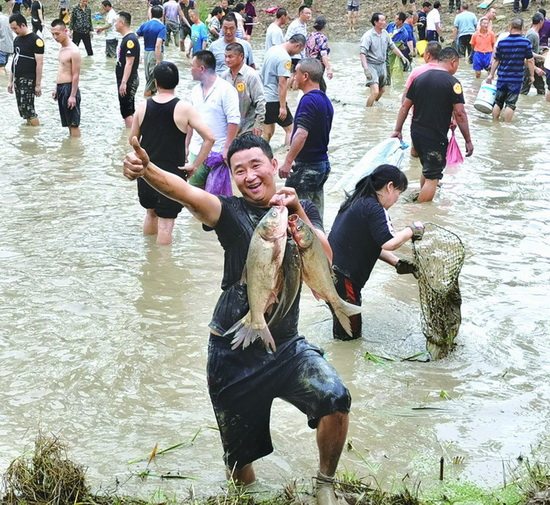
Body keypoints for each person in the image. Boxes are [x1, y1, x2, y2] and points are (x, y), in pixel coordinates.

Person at [123, 131, 351, 505]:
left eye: (256, 165)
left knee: (335, 398)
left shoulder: (300, 209)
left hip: (286, 346)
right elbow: (186, 194)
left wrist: (297, 212)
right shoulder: (228, 213)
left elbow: (325, 258)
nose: (249, 176)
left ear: (274, 165)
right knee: (240, 464)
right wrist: (148, 170)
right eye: (239, 170)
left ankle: (324, 483)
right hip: (233, 352)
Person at [328, 165, 423, 341]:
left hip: (332, 273)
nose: (396, 200)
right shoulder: (375, 208)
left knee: (342, 327)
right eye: (398, 193)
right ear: (390, 187)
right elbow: (389, 243)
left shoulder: (357, 200)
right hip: (345, 277)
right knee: (350, 337)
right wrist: (412, 229)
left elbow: (367, 244)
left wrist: (396, 263)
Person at [130, 61, 214, 245]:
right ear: (176, 82)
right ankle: (162, 261)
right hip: (173, 177)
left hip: (147, 173)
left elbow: (132, 140)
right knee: (166, 226)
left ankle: (149, 257)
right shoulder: (184, 108)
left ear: (155, 82)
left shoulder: (143, 107)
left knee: (150, 214)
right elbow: (210, 138)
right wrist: (195, 165)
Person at [392, 47, 474, 203]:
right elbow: (460, 114)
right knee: (433, 179)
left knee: (427, 170)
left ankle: (419, 200)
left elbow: (405, 107)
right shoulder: (453, 83)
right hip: (435, 137)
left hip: (416, 133)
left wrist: (397, 130)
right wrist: (468, 140)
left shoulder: (419, 78)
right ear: (453, 62)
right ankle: (418, 211)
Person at [279, 58, 333, 221]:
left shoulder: (308, 100)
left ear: (305, 76)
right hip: (321, 165)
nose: (293, 77)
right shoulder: (325, 100)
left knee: (294, 215)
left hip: (307, 167)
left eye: (296, 73)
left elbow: (301, 134)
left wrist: (288, 162)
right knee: (314, 215)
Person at [186, 50, 240, 188]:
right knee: (194, 193)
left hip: (218, 152)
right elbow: (190, 122)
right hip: (196, 150)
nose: (190, 70)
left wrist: (227, 147)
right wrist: (186, 146)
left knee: (217, 195)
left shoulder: (226, 90)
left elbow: (233, 120)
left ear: (201, 69)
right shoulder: (195, 91)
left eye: (192, 66)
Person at [261, 34, 306, 145]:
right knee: (291, 130)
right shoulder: (285, 58)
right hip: (274, 99)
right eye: (299, 51)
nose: (297, 54)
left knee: (267, 132)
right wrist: (282, 107)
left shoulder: (272, 50)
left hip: (264, 97)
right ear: (298, 45)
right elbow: (282, 83)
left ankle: (262, 152)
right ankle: (287, 153)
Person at [487, 18, 534, 122]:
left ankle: (495, 123)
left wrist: (491, 74)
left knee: (498, 102)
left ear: (510, 27)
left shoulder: (502, 42)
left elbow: (496, 60)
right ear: (522, 28)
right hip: (516, 79)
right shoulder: (525, 42)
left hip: (502, 77)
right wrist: (532, 76)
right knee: (511, 104)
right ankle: (506, 126)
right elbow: (530, 60)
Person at [359, 13, 409, 107]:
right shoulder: (368, 36)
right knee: (375, 91)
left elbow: (392, 46)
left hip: (382, 65)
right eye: (381, 20)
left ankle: (373, 104)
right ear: (375, 22)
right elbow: (362, 53)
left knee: (382, 90)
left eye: (384, 20)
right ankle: (368, 111)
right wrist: (366, 69)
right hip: (371, 65)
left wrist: (402, 57)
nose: (384, 22)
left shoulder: (385, 33)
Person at [221, 42, 265, 135]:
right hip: (228, 127)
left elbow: (260, 101)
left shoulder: (251, 75)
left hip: (248, 127)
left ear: (241, 56)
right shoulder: (224, 76)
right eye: (225, 56)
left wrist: (258, 124)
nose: (227, 60)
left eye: (230, 57)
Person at [7, 13, 43, 126]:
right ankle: (29, 133)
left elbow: (39, 64)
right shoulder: (17, 40)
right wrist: (10, 81)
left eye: (15, 28)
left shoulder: (36, 40)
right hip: (17, 79)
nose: (14, 31)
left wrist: (38, 84)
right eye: (12, 29)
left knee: (29, 110)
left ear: (22, 25)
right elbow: (14, 60)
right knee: (23, 110)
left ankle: (36, 131)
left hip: (28, 79)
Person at [51, 18, 81, 137]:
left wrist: (72, 95)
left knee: (73, 124)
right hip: (61, 88)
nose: (55, 37)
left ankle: (76, 147)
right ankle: (70, 147)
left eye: (57, 34)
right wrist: (56, 87)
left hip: (69, 88)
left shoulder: (74, 50)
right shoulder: (62, 48)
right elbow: (61, 69)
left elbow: (76, 75)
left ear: (65, 31)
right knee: (68, 123)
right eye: (53, 34)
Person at [115, 11, 140, 128]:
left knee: (127, 112)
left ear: (122, 23)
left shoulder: (130, 40)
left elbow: (129, 63)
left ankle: (131, 134)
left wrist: (124, 82)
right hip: (126, 79)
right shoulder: (127, 38)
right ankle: (131, 133)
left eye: (116, 22)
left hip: (128, 80)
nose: (115, 24)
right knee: (128, 110)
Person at [136, 4, 165, 97]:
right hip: (155, 54)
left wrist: (136, 54)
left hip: (146, 53)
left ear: (151, 14)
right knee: (152, 80)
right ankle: (147, 99)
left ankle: (151, 99)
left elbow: (135, 37)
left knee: (149, 78)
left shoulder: (145, 25)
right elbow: (158, 45)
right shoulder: (162, 27)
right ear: (162, 15)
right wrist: (158, 61)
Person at [305, 16, 333, 92]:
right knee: (321, 87)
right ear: (324, 26)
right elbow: (323, 55)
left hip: (308, 63)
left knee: (312, 85)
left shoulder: (309, 35)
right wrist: (328, 68)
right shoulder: (322, 38)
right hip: (318, 64)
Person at [521, 13, 547, 95]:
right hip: (529, 65)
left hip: (533, 63)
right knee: (524, 90)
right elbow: (527, 52)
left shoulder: (534, 33)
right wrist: (542, 57)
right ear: (541, 21)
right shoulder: (532, 34)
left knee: (541, 89)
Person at [0, 4, 14, 74]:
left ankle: (4, 80)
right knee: (3, 67)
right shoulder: (7, 18)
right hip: (9, 47)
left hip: (1, 47)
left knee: (1, 68)